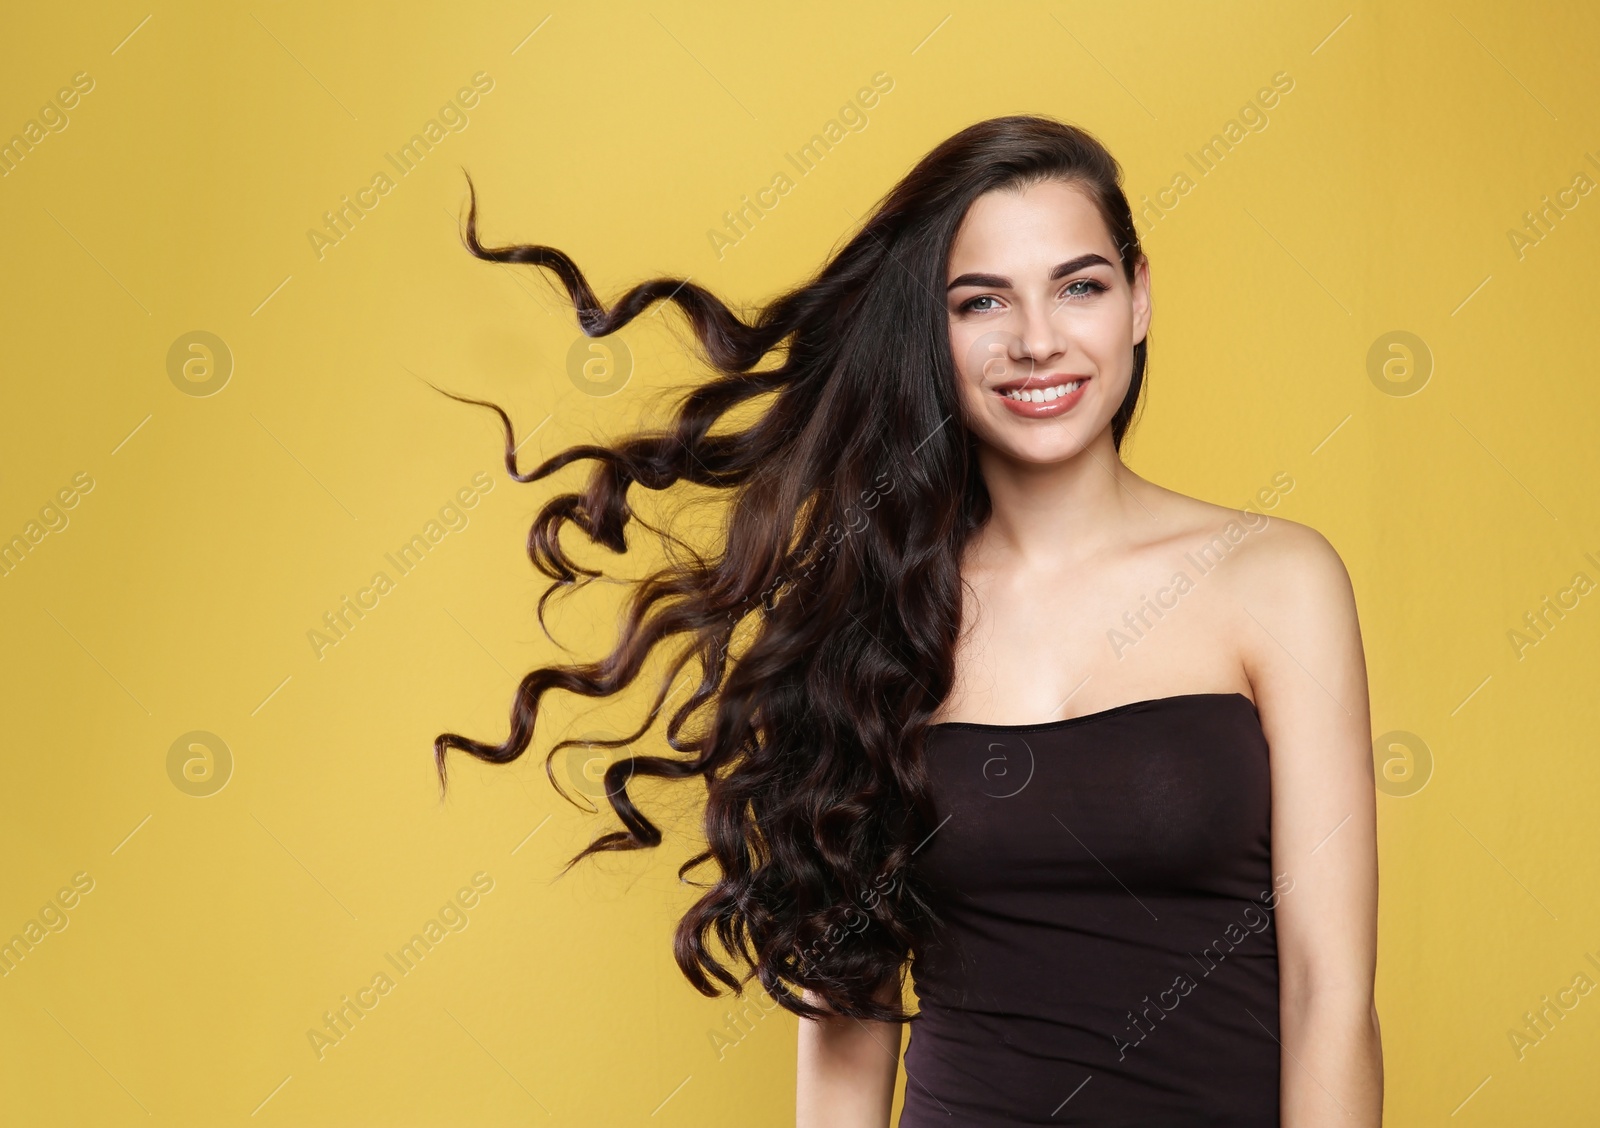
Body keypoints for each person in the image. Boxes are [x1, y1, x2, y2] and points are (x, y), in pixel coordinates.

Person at [433, 114, 1382, 1126]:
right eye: (981, 302)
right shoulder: (861, 614)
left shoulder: (1277, 581)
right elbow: (849, 1020)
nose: (1036, 340)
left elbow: (1332, 998)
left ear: (1139, 297)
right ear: (932, 332)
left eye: (1079, 286)